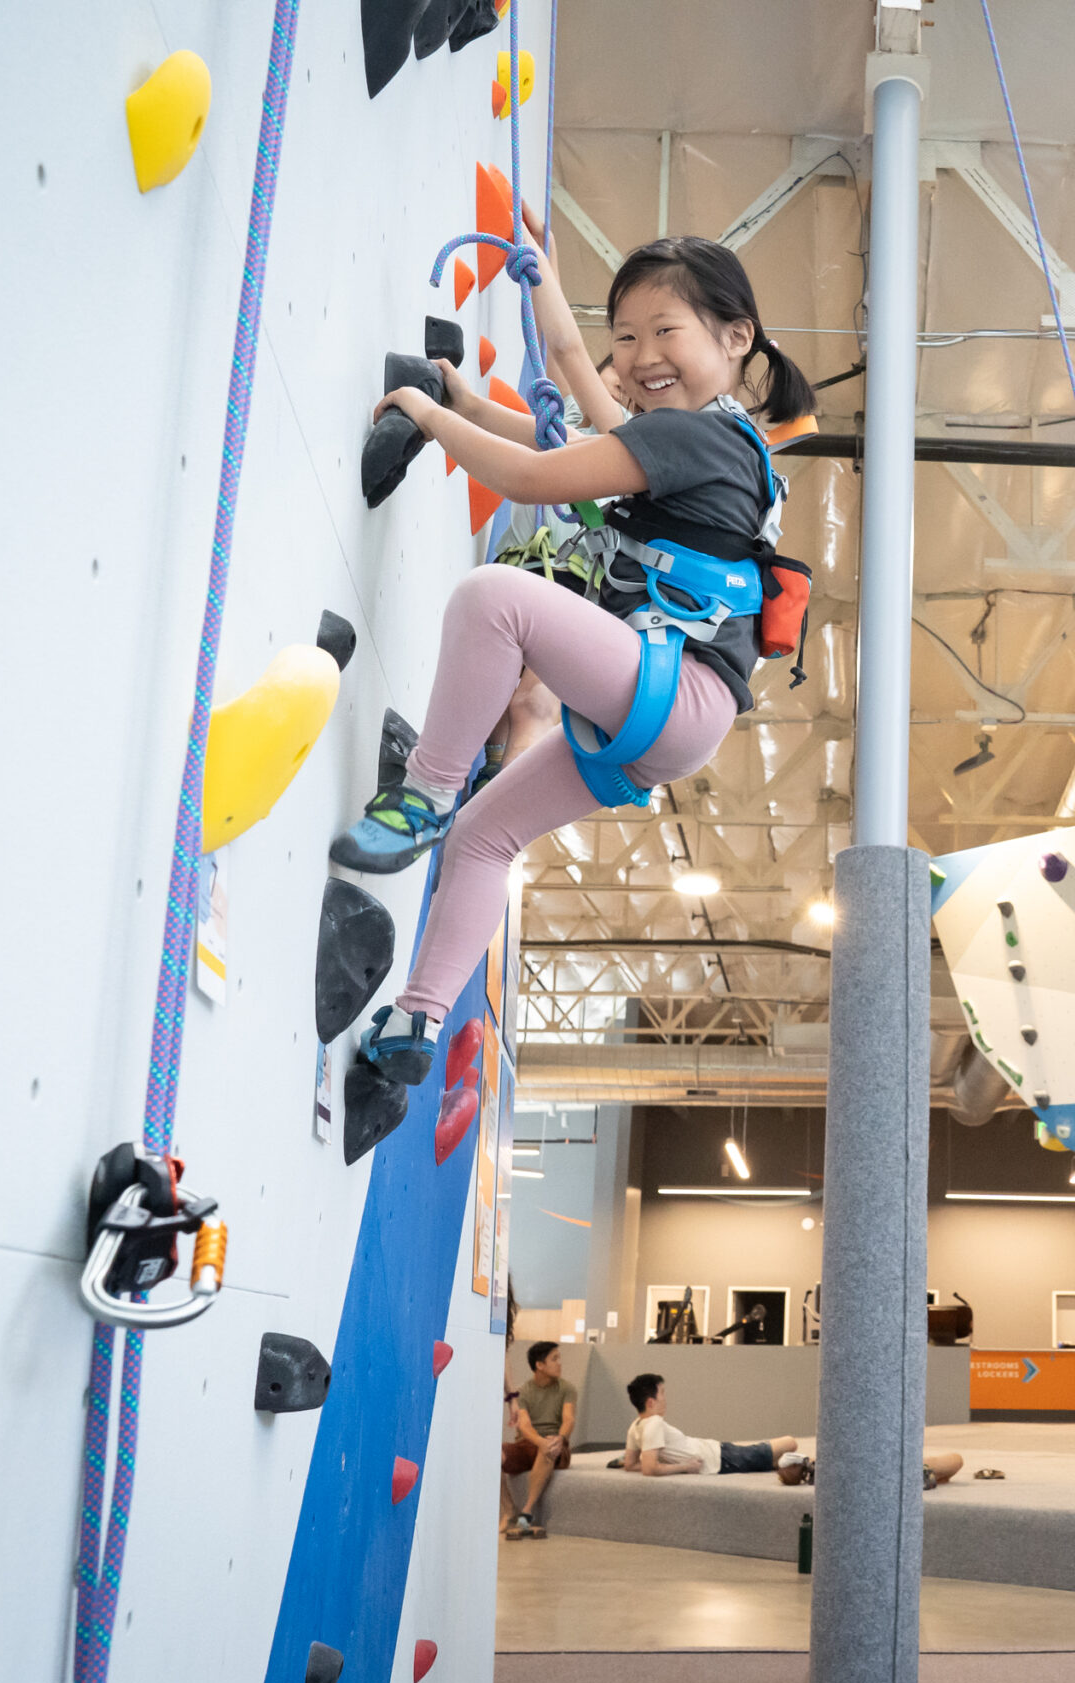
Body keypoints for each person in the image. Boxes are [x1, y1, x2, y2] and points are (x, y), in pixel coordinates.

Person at [329, 217, 815, 1086]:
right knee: (487, 837)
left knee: (495, 600)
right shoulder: (716, 439)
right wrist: (530, 294)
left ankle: (427, 794)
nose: (637, 355)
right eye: (624, 336)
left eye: (666, 332)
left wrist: (432, 415)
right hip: (663, 714)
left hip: (666, 688)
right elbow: (567, 387)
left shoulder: (687, 436)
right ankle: (415, 1021)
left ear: (737, 337)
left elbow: (529, 477)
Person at [620, 1373, 800, 1477]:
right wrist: (684, 1467)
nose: (665, 1399)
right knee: (790, 1443)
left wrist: (654, 1461)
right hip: (722, 1459)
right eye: (662, 1394)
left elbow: (631, 1464)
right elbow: (650, 1469)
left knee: (780, 1459)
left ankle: (799, 1464)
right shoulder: (654, 1424)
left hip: (718, 1452)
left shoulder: (636, 1426)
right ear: (651, 1402)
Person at [501, 1339, 577, 1539]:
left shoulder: (567, 1389)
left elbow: (569, 1419)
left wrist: (560, 1438)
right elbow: (524, 1426)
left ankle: (526, 1511)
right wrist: (540, 1442)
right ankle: (508, 1509)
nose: (559, 1363)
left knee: (549, 1446)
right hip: (531, 1443)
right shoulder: (524, 1391)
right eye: (554, 1359)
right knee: (495, 1454)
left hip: (557, 1443)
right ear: (539, 1365)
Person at [776, 1448, 966, 1490]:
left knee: (947, 1466)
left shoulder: (826, 1468)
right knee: (955, 1461)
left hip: (886, 1465)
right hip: (892, 1466)